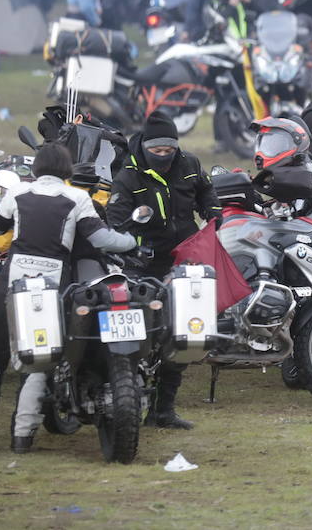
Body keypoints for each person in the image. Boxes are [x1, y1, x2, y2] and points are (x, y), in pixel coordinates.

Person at [0, 143, 138, 453]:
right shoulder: (78, 198)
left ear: (37, 168)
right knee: (40, 358)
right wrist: (130, 240)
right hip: (54, 282)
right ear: (67, 170)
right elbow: (100, 238)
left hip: (14, 278)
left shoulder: (17, 193)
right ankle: (22, 436)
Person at [105, 112, 220, 429]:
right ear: (146, 148)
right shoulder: (128, 175)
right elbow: (114, 222)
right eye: (157, 151)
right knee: (140, 335)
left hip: (183, 259)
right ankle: (126, 400)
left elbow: (205, 191)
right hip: (141, 264)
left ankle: (163, 410)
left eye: (169, 150)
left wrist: (212, 212)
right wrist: (133, 242)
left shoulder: (189, 164)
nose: (164, 156)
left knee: (183, 334)